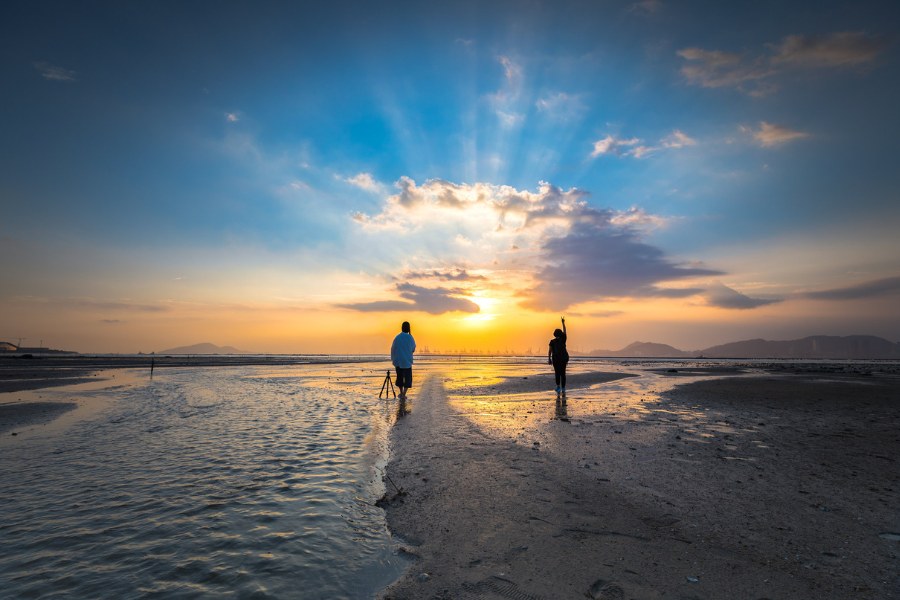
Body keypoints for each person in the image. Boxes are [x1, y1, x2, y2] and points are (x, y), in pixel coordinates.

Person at [390, 321, 416, 400]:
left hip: (398, 361)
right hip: (407, 361)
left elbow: (393, 348)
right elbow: (413, 348)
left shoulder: (397, 337)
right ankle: (404, 394)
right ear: (408, 328)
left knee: (400, 378)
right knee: (407, 379)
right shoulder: (410, 337)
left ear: (402, 328)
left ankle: (401, 393)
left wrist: (393, 359)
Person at [548, 316, 568, 397]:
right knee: (563, 373)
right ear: (561, 334)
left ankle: (558, 387)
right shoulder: (563, 339)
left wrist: (549, 359)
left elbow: (550, 351)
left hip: (555, 359)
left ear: (554, 334)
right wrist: (563, 323)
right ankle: (563, 388)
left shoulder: (552, 341)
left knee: (557, 373)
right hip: (563, 359)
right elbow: (565, 331)